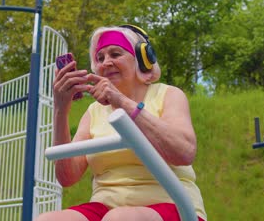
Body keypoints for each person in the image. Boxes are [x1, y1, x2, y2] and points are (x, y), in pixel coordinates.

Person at [36, 25, 207, 221]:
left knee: (119, 218)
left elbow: (184, 152)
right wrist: (60, 109)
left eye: (115, 54)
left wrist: (121, 102)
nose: (106, 62)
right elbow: (67, 177)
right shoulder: (94, 112)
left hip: (173, 204)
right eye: (100, 58)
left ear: (143, 60)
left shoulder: (168, 94)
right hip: (106, 207)